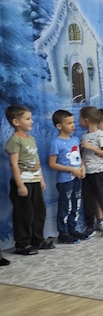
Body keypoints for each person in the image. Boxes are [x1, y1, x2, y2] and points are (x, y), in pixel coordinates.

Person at [5, 106, 48, 255]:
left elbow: (36, 160)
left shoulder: (31, 139)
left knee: (39, 211)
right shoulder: (15, 140)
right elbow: (13, 164)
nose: (31, 121)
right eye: (28, 119)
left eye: (31, 118)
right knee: (24, 214)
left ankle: (38, 240)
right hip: (23, 182)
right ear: (16, 122)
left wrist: (41, 178)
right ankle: (22, 244)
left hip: (35, 181)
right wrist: (20, 185)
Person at [79, 106, 103, 236]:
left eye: (80, 119)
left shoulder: (101, 135)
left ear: (86, 120)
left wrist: (91, 147)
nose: (78, 121)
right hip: (87, 173)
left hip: (100, 173)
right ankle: (90, 226)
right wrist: (82, 166)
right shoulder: (84, 136)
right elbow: (82, 155)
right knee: (88, 200)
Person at [48, 110, 85, 244]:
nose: (73, 125)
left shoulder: (75, 139)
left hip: (77, 178)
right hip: (65, 180)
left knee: (76, 204)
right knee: (65, 206)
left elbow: (79, 158)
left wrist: (82, 168)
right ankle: (63, 233)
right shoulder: (56, 143)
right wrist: (71, 170)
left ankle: (72, 229)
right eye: (69, 123)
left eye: (73, 122)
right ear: (59, 126)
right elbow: (52, 164)